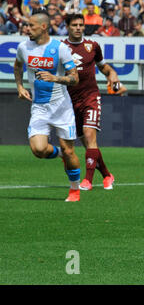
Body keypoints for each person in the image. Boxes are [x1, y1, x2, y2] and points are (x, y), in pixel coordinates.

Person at [14, 13, 81, 202]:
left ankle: (74, 190)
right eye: (26, 25)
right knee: (38, 150)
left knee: (70, 151)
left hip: (62, 108)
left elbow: (75, 78)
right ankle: (59, 154)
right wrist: (20, 86)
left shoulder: (60, 49)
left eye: (31, 26)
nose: (27, 29)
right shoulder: (23, 47)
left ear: (43, 27)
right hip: (39, 108)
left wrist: (55, 78)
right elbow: (17, 66)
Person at [62, 13, 122, 192]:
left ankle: (87, 181)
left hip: (90, 97)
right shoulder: (60, 48)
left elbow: (104, 67)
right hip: (69, 101)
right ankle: (107, 175)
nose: (79, 28)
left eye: (81, 25)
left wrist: (113, 77)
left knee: (89, 135)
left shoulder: (92, 46)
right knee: (89, 144)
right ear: (68, 27)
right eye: (75, 25)